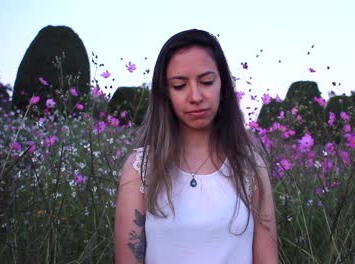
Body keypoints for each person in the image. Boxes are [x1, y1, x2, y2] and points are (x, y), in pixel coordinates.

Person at [115, 29, 277, 264]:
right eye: (179, 85)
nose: (195, 96)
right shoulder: (140, 170)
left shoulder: (250, 167)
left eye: (206, 81)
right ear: (166, 94)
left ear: (223, 87)